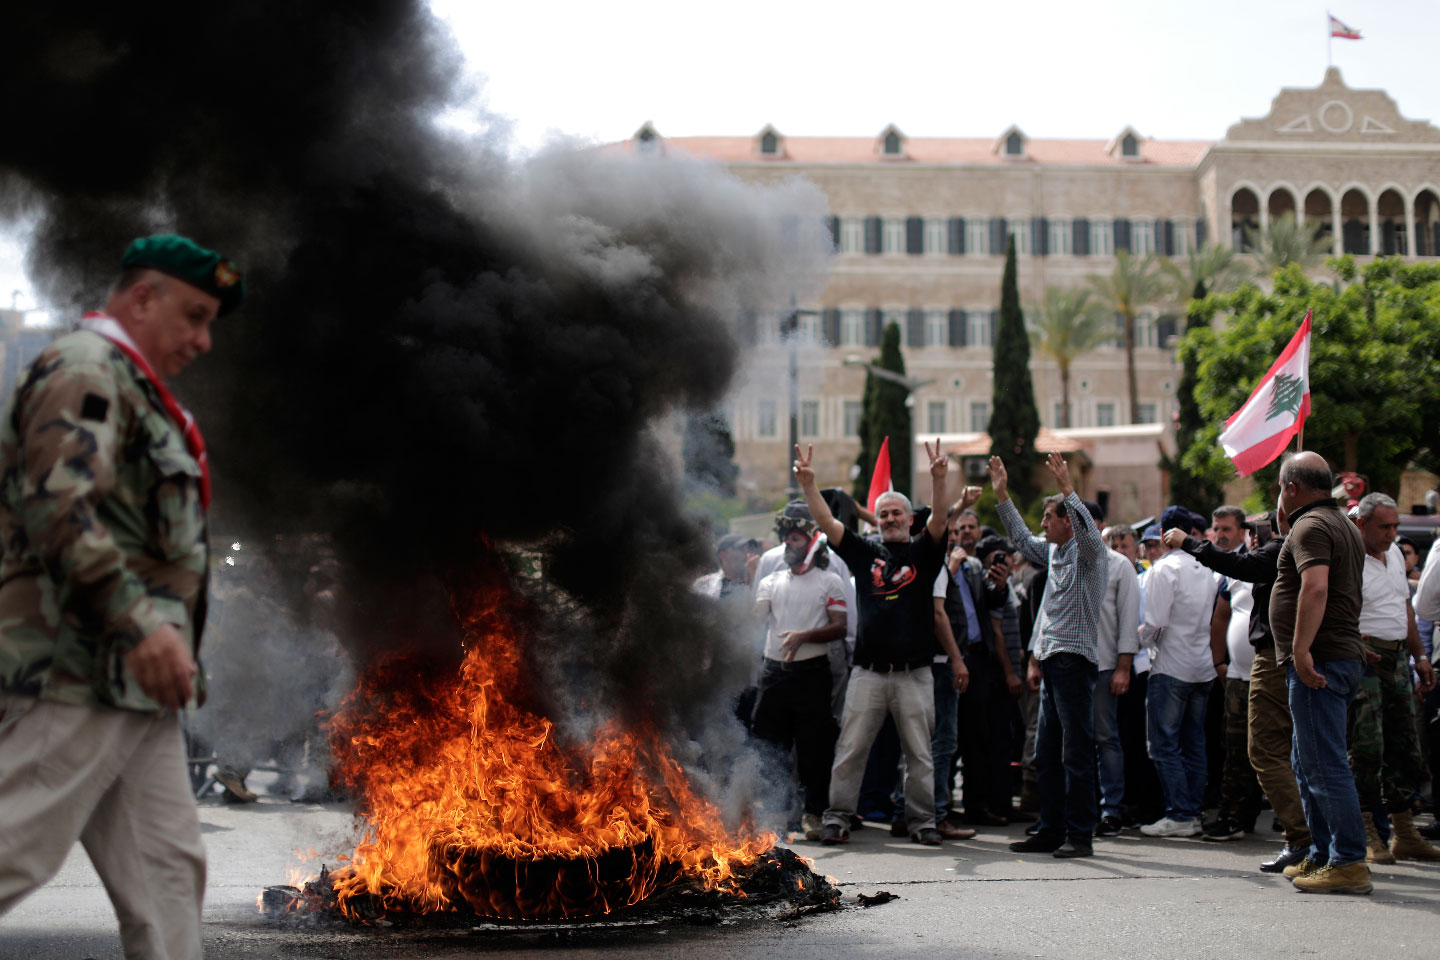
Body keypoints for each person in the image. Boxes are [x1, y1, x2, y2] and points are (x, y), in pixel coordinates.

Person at [0, 234, 243, 958]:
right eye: (193, 316)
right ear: (143, 296)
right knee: (15, 849)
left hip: (134, 686)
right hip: (73, 668)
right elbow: (58, 507)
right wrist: (141, 626)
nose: (202, 340)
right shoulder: (85, 369)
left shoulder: (134, 386)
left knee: (169, 878)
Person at [795, 441, 964, 846]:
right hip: (867, 674)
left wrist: (939, 480)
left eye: (897, 514)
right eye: (884, 513)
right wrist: (809, 485)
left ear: (909, 519)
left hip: (915, 674)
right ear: (878, 519)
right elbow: (826, 522)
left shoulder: (925, 553)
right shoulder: (862, 551)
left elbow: (940, 519)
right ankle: (837, 818)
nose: (890, 519)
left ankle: (922, 822)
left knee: (920, 755)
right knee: (851, 750)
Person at [1163, 510, 1310, 871]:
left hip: (1278, 663)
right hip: (1247, 670)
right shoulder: (1265, 557)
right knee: (1244, 750)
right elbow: (1224, 612)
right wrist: (1220, 662)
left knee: (1270, 752)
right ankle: (1276, 829)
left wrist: (1189, 542)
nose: (1260, 536)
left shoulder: (1280, 552)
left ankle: (1306, 838)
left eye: (1265, 529)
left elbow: (1237, 565)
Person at [991, 452, 1108, 859]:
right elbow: (1022, 540)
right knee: (1046, 753)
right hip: (1052, 660)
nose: (1043, 525)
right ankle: (1051, 828)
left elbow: (1091, 536)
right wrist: (1002, 494)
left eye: (1049, 517)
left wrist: (1069, 491)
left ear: (1068, 522)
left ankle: (1080, 835)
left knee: (1076, 752)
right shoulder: (1056, 553)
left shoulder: (1091, 556)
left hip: (1074, 662)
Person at [1270, 452, 1371, 894]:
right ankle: (1324, 855)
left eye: (1281, 485)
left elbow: (1316, 586)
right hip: (1335, 656)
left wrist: (1300, 648)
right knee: (1305, 760)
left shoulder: (1311, 526)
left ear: (1292, 488)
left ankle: (1348, 861)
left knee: (1324, 765)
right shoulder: (1340, 524)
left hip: (1320, 659)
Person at [1348, 493, 1439, 861]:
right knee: (1367, 748)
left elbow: (1405, 608)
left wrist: (1420, 656)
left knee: (1406, 747)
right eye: (1384, 526)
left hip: (1398, 656)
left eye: (1395, 526)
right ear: (1362, 524)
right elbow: (1335, 610)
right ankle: (1368, 830)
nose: (1392, 533)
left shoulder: (1397, 556)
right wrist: (1353, 645)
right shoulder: (1349, 559)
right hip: (1364, 658)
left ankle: (1404, 831)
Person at [751, 509, 848, 842]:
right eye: (785, 539)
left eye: (794, 538)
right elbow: (754, 619)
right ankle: (774, 816)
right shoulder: (770, 581)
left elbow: (840, 627)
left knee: (814, 749)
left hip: (812, 676)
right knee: (769, 745)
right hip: (774, 674)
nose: (787, 544)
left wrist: (803, 635)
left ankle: (814, 814)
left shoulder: (829, 581)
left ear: (810, 543)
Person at [1138, 506, 1220, 838]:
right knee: (1194, 742)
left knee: (1164, 744)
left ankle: (1181, 813)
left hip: (1171, 665)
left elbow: (1155, 624)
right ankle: (1193, 811)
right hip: (1202, 666)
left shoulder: (1164, 568)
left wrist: (1137, 638)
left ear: (1164, 534)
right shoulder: (1206, 568)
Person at [943, 505, 1012, 829]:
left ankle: (975, 805)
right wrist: (951, 568)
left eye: (965, 530)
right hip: (946, 660)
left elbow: (993, 601)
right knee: (944, 738)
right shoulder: (940, 567)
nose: (959, 537)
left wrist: (999, 585)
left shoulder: (973, 566)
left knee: (977, 735)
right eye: (955, 531)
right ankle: (939, 808)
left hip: (976, 659)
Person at [1090, 504, 1140, 838]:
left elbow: (1128, 619)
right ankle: (1082, 805)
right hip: (1071, 667)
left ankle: (1111, 809)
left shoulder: (1119, 566)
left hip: (1105, 667)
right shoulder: (1067, 559)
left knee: (1106, 738)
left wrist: (1123, 666)